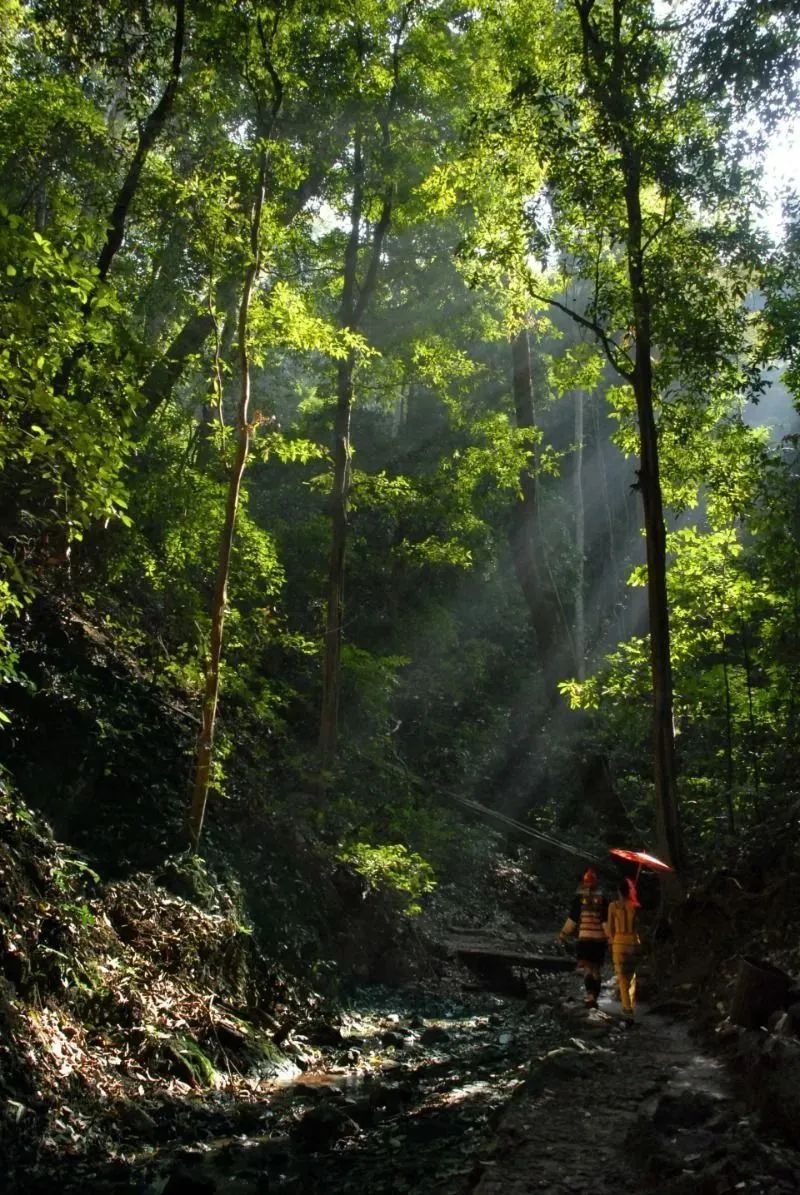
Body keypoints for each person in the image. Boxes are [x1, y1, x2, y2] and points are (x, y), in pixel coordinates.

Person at [558, 867, 609, 1009]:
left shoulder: (579, 899)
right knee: (596, 970)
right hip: (599, 940)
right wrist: (610, 936)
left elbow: (572, 920)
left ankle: (590, 996)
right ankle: (595, 998)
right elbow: (605, 922)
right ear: (596, 883)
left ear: (584, 883)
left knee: (587, 969)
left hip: (585, 939)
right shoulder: (603, 899)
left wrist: (563, 934)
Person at [605, 877, 640, 1027]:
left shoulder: (613, 906)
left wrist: (611, 941)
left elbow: (610, 927)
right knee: (631, 978)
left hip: (619, 943)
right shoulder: (635, 906)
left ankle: (627, 1011)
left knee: (622, 977)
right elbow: (637, 927)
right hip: (633, 943)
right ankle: (630, 1009)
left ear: (619, 891)